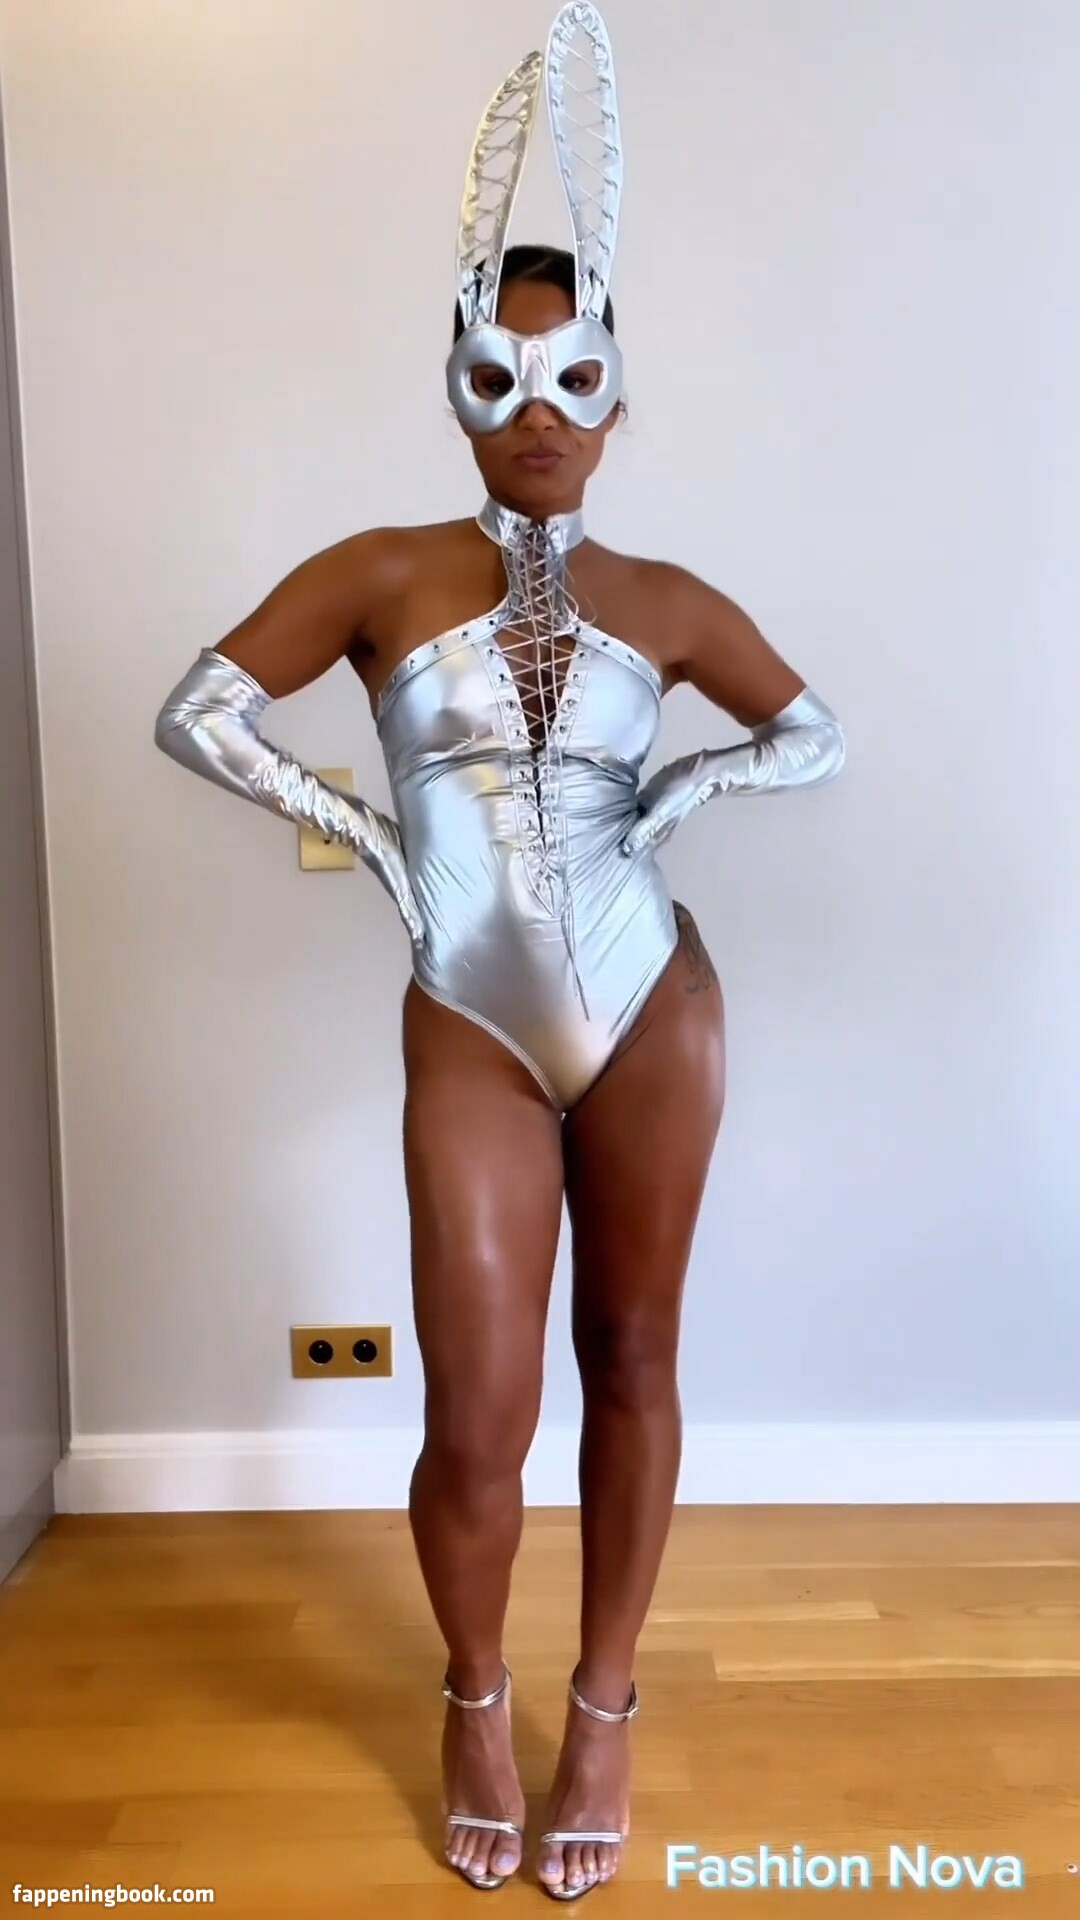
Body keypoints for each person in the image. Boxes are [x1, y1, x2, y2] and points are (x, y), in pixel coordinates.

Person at [153, 3, 845, 1900]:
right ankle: (476, 1691)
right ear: (456, 388)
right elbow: (199, 711)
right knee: (477, 1406)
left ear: (618, 402)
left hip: (656, 1008)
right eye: (502, 376)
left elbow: (815, 734)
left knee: (634, 1349)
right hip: (469, 1014)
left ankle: (603, 1705)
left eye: (576, 379)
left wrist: (684, 792)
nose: (541, 412)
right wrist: (375, 838)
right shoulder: (381, 573)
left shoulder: (665, 600)